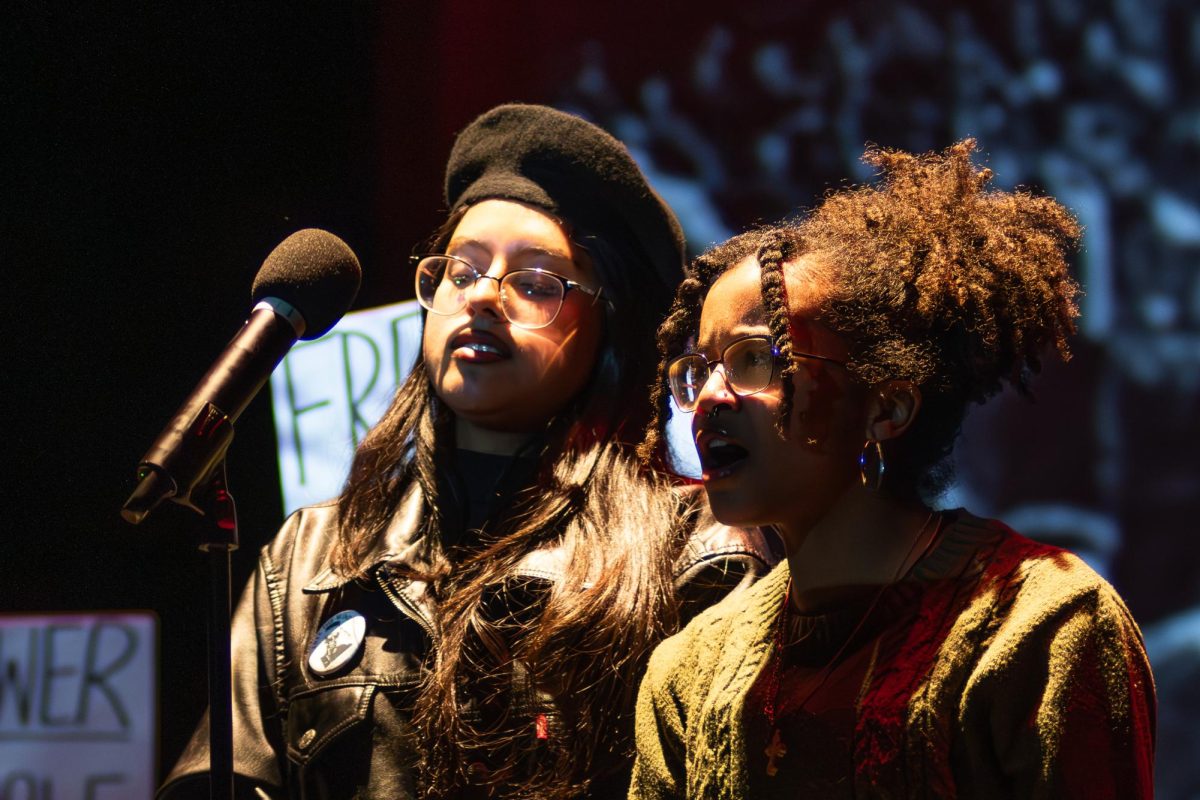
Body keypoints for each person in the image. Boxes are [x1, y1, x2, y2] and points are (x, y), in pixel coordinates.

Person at [158, 104, 775, 800]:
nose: (483, 297)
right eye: (461, 271)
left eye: (536, 283)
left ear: (611, 328)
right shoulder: (313, 560)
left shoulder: (699, 552)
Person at [629, 140, 1155, 798]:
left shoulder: (1043, 630)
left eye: (755, 360)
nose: (708, 398)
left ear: (889, 405)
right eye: (699, 369)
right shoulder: (689, 673)